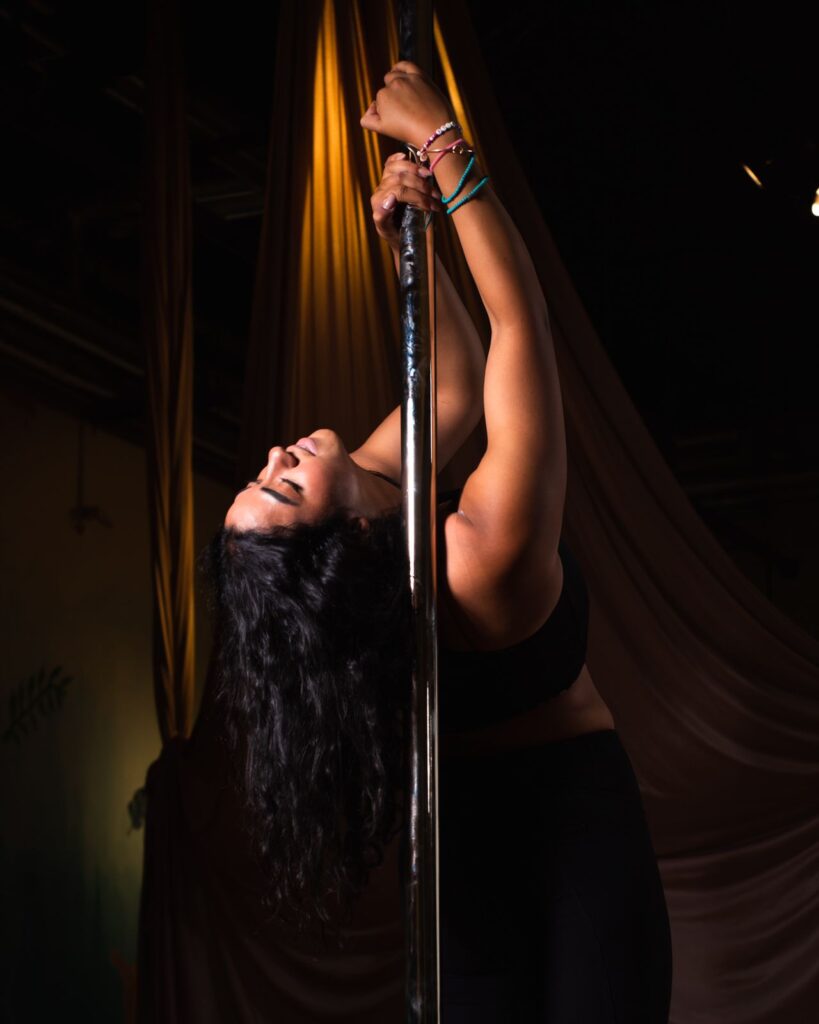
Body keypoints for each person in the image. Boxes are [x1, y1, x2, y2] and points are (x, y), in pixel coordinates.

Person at [208, 62, 672, 1022]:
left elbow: (449, 388)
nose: (275, 452)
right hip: (560, 831)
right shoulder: (475, 559)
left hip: (464, 832)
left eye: (260, 474)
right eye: (283, 483)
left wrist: (404, 241)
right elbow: (518, 326)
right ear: (338, 543)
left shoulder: (375, 501)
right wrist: (444, 146)